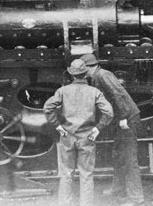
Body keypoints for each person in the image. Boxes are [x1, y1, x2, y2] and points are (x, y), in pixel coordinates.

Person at [44, 58, 113, 206]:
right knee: (86, 174)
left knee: (67, 173)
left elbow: (47, 108)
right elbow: (109, 112)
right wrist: (98, 128)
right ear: (85, 74)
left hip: (67, 136)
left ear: (72, 75)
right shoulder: (95, 92)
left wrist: (58, 125)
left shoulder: (62, 91)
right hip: (87, 137)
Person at [81, 53, 144, 206]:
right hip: (121, 119)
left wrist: (123, 116)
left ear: (90, 67)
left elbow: (117, 95)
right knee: (118, 156)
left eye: (83, 70)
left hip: (126, 119)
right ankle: (118, 188)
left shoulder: (103, 75)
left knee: (129, 159)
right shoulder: (97, 76)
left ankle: (136, 199)